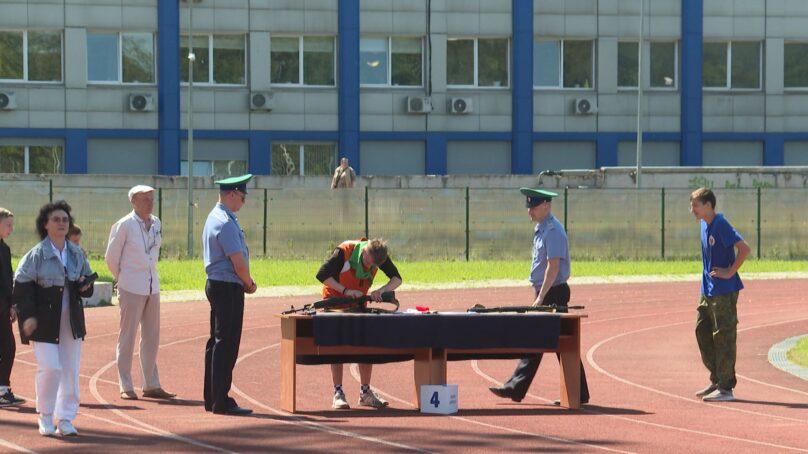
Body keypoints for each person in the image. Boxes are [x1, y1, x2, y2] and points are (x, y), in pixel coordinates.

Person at [489, 188, 590, 405]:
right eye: (529, 207)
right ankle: (577, 392)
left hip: (553, 293)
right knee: (559, 342)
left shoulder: (553, 231)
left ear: (546, 205)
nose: (530, 212)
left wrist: (541, 297)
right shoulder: (541, 229)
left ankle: (516, 387)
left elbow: (552, 267)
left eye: (533, 207)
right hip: (546, 292)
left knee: (547, 339)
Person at [13, 200, 95, 436]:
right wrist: (27, 317)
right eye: (56, 219)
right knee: (51, 367)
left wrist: (84, 286)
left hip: (71, 322)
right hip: (44, 321)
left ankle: (66, 418)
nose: (61, 223)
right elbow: (22, 289)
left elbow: (87, 284)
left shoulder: (77, 253)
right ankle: (46, 415)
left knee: (70, 369)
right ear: (45, 225)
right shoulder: (35, 256)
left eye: (65, 220)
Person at [105, 185, 175, 401]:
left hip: (152, 286)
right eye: (145, 199)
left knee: (152, 336)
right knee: (128, 336)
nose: (150, 202)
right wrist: (123, 278)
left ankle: (151, 384)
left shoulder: (156, 223)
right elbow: (111, 257)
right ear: (133, 201)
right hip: (131, 286)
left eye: (151, 198)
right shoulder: (124, 225)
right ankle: (125, 384)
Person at [315, 237, 402, 409]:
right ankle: (338, 393)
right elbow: (322, 275)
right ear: (363, 252)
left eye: (374, 266)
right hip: (335, 303)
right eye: (368, 263)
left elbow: (397, 279)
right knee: (337, 346)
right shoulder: (344, 251)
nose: (370, 268)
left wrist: (381, 291)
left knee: (366, 346)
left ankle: (365, 392)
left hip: (358, 303)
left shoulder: (378, 255)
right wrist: (346, 291)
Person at [202, 174, 256, 416]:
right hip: (228, 286)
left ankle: (212, 397)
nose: (243, 203)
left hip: (218, 284)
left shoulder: (216, 217)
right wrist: (249, 283)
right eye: (242, 197)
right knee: (227, 343)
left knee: (217, 342)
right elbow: (238, 262)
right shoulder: (225, 222)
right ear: (232, 193)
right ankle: (220, 400)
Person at [689, 187, 750, 402]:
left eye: (695, 205)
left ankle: (726, 388)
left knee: (723, 336)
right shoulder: (704, 225)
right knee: (702, 331)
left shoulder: (721, 224)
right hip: (707, 290)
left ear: (708, 205)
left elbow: (744, 248)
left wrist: (730, 271)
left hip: (724, 291)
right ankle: (717, 378)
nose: (692, 210)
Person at [0, 207, 25, 407]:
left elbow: (8, 280)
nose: (11, 229)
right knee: (7, 347)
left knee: (8, 347)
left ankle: (3, 388)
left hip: (3, 306)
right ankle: (2, 390)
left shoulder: (5, 249)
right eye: (8, 225)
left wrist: (11, 304)